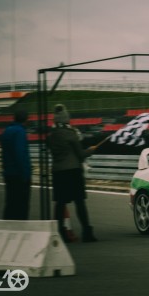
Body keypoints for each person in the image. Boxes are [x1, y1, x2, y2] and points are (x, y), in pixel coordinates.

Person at [47, 104, 97, 242]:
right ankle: (87, 232)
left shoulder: (51, 136)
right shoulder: (71, 134)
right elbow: (80, 154)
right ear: (66, 119)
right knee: (79, 202)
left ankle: (59, 232)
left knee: (60, 204)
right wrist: (91, 150)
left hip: (58, 172)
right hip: (73, 171)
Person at [0, 109, 32, 220]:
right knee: (22, 207)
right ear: (26, 119)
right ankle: (21, 230)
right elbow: (20, 154)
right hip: (19, 176)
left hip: (8, 174)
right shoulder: (20, 132)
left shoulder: (6, 131)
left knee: (10, 204)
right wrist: (25, 174)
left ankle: (7, 229)